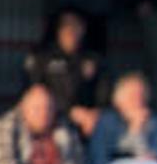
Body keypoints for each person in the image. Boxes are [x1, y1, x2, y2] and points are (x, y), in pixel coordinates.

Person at [23, 8, 105, 138]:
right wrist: (70, 111)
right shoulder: (42, 58)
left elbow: (104, 92)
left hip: (89, 121)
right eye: (66, 25)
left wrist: (95, 113)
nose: (71, 30)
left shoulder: (93, 59)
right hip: (53, 118)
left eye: (76, 25)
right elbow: (34, 93)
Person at [87, 72, 157, 164]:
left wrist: (138, 130)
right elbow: (99, 159)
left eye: (141, 95)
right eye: (132, 95)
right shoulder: (106, 121)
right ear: (119, 98)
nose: (138, 100)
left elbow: (154, 160)